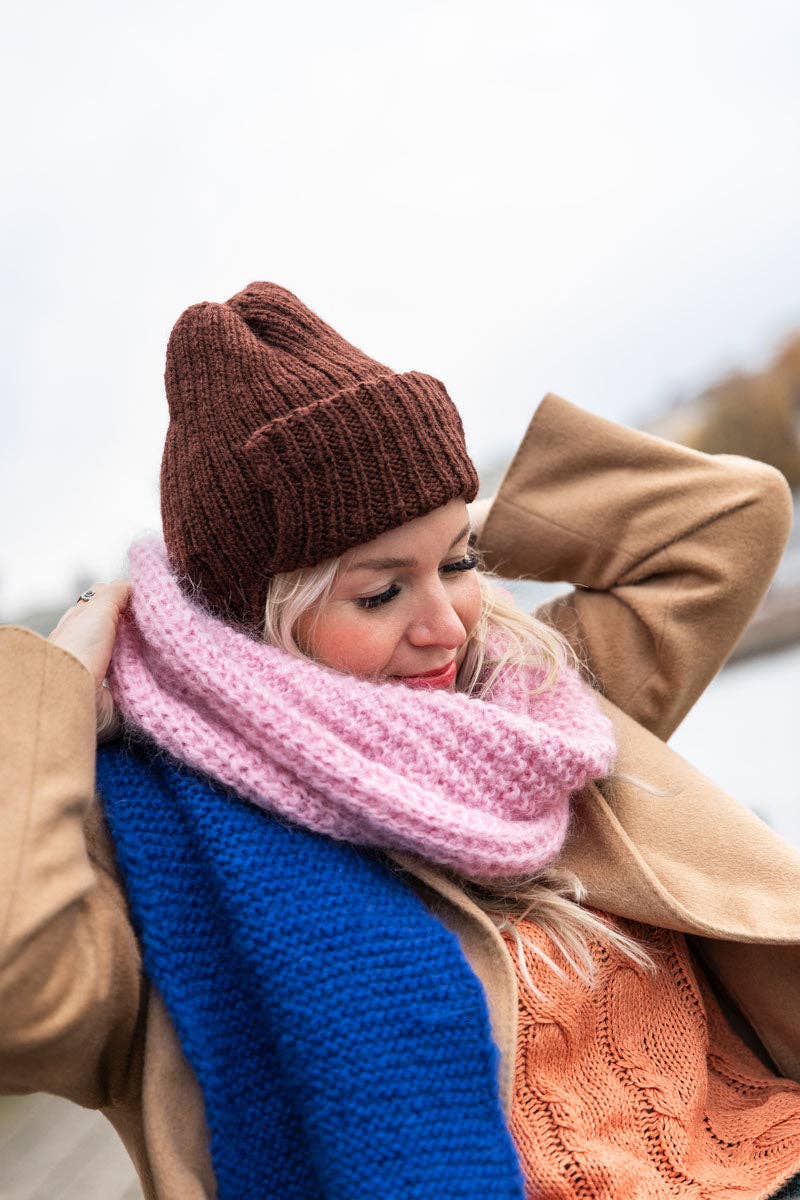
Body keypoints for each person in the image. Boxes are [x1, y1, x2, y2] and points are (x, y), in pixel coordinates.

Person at [1, 281, 799, 1200]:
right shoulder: (159, 857)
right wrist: (55, 685)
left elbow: (731, 517)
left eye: (459, 567)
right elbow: (18, 993)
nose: (447, 626)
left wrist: (420, 521)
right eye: (380, 594)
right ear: (257, 622)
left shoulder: (527, 712)